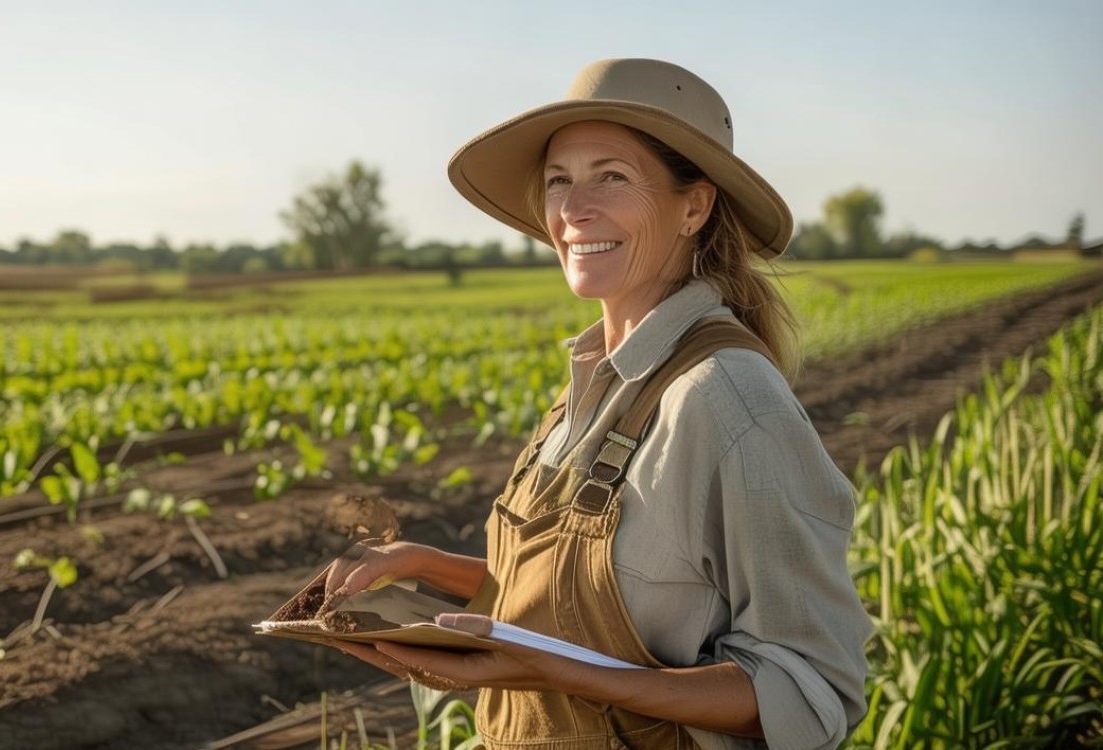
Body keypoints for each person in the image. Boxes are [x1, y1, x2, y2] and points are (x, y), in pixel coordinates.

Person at [323, 58, 871, 750]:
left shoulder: (727, 399)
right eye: (559, 182)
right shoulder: (588, 385)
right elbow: (621, 601)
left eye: (611, 177)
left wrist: (567, 676)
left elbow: (811, 688)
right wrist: (427, 565)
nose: (573, 211)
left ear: (694, 207)